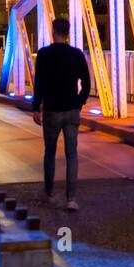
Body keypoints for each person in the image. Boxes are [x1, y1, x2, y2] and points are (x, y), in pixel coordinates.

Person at [32, 16, 90, 211]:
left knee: (49, 152)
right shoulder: (76, 55)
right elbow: (87, 83)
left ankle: (49, 192)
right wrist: (79, 102)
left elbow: (39, 83)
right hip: (72, 110)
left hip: (52, 110)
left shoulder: (44, 55)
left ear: (53, 31)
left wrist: (36, 107)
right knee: (71, 154)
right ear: (68, 32)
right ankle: (71, 198)